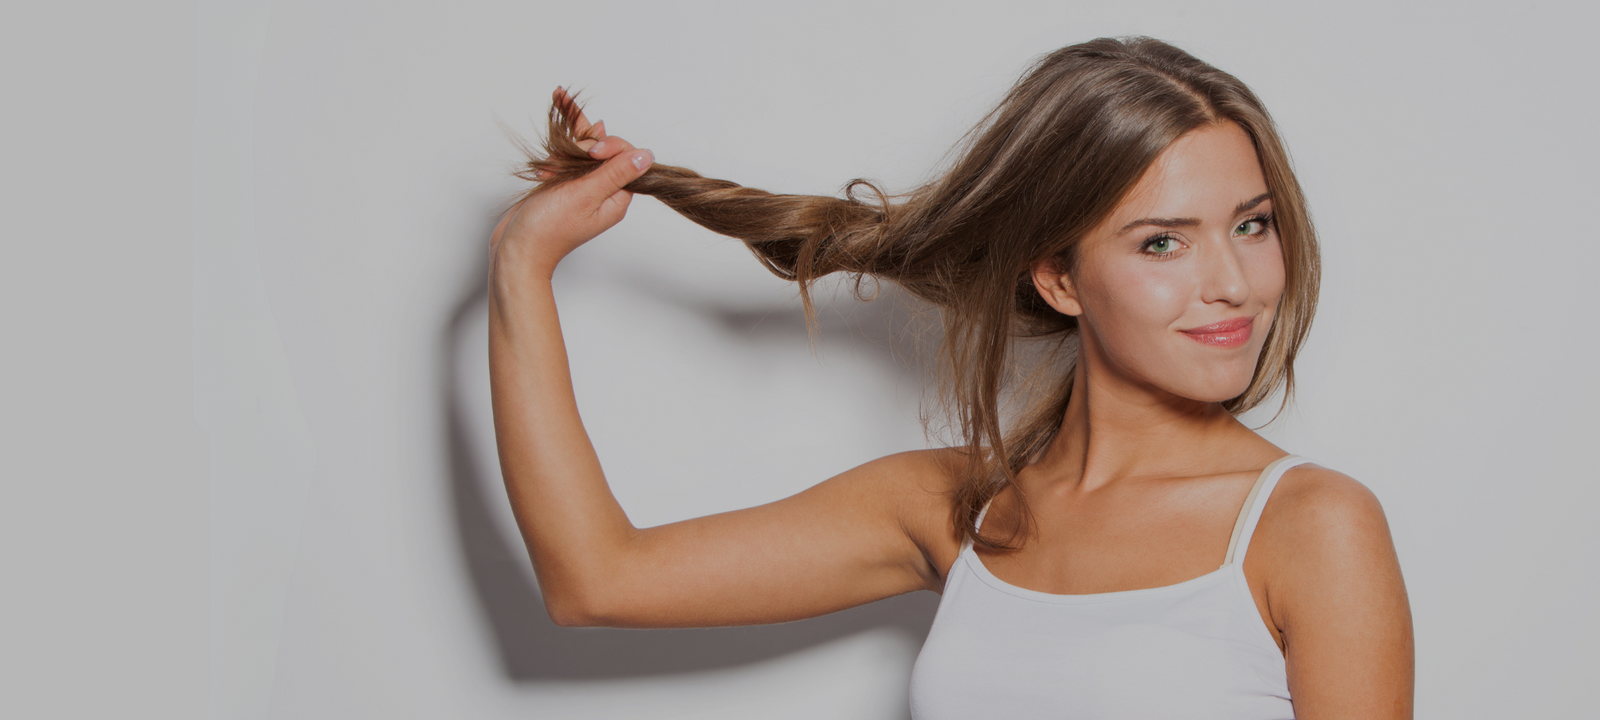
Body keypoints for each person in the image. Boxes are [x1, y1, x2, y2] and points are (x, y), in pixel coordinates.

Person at [488, 36, 1413, 718]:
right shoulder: (958, 508)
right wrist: (521, 267)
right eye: (1164, 241)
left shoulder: (1309, 527)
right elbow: (597, 579)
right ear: (1058, 277)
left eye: (1252, 224)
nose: (1234, 283)